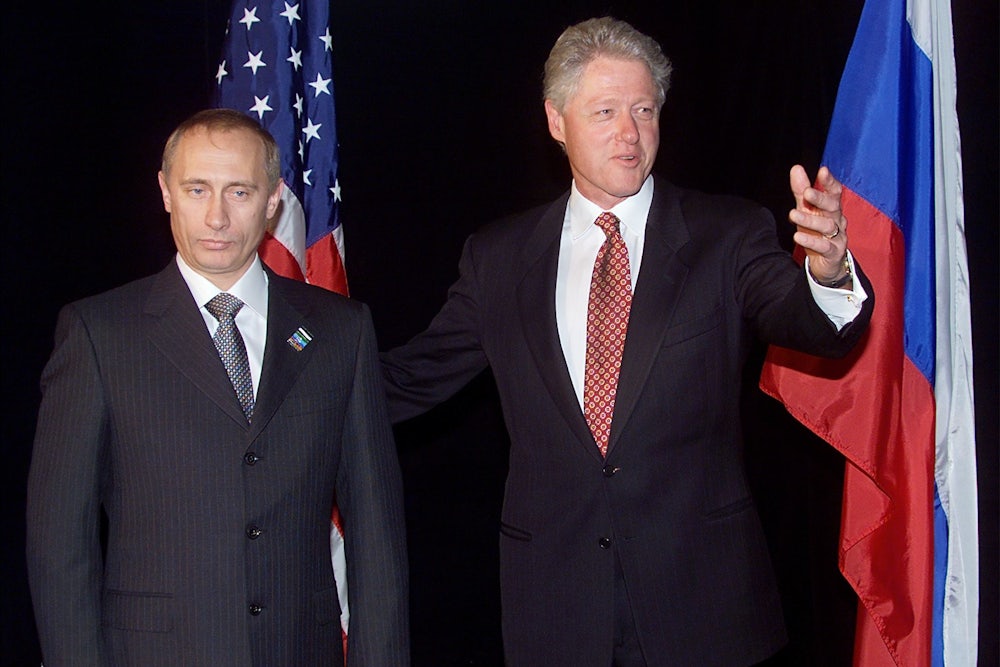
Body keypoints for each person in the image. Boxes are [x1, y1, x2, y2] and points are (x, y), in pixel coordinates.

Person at [381, 17, 873, 667]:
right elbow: (414, 377)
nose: (630, 133)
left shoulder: (726, 235)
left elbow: (806, 321)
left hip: (703, 608)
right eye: (606, 110)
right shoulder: (498, 258)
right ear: (557, 120)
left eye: (644, 110)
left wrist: (830, 270)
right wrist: (290, 376)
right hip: (556, 607)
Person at [26, 109, 409, 666]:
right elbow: (60, 543)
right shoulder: (99, 335)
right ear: (165, 193)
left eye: (239, 192)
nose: (217, 216)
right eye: (197, 189)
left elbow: (376, 533)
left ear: (273, 199)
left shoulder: (339, 332)